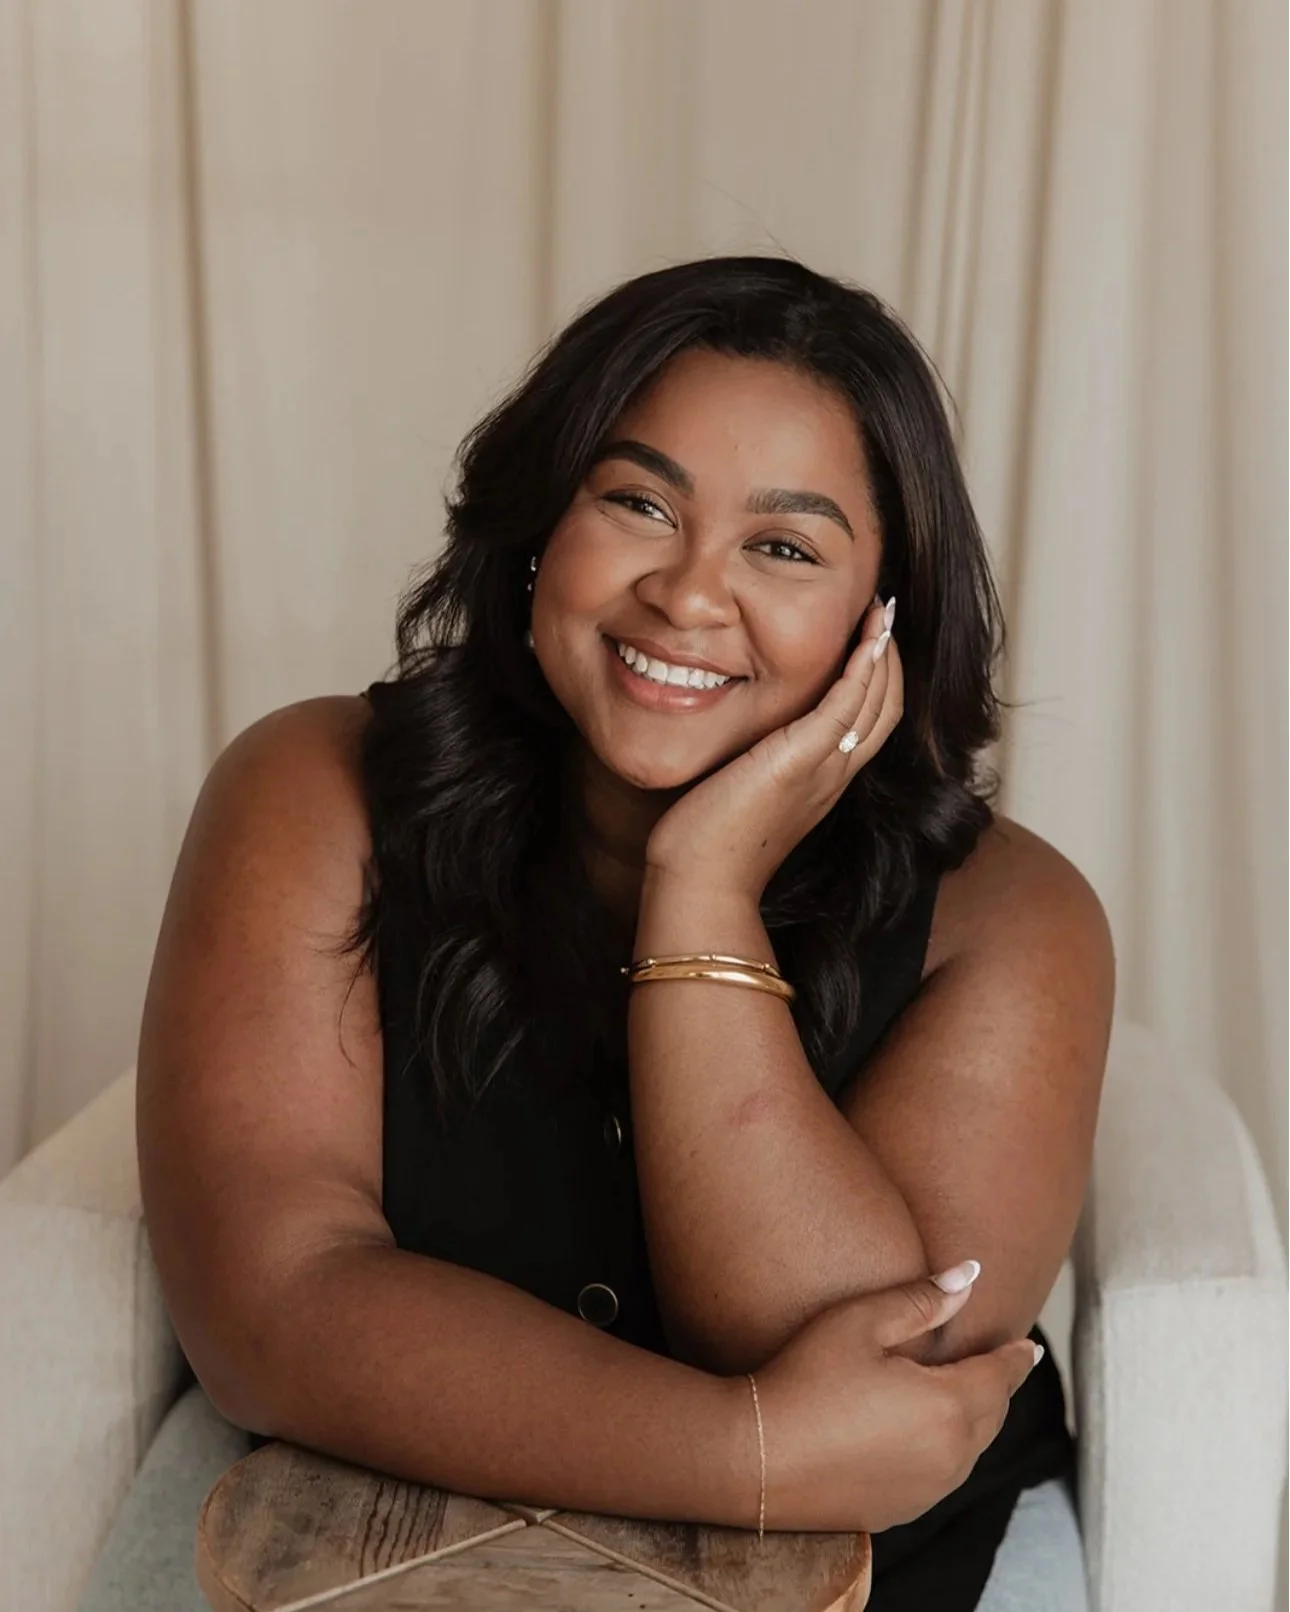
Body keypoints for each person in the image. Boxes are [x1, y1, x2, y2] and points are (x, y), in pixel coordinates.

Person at [128, 256, 1113, 1612]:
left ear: (883, 620)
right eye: (637, 503)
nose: (688, 594)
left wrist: (699, 890)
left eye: (783, 546)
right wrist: (752, 1447)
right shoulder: (313, 791)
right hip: (384, 1535)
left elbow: (875, 1402)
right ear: (542, 529)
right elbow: (273, 1307)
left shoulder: (1011, 922)